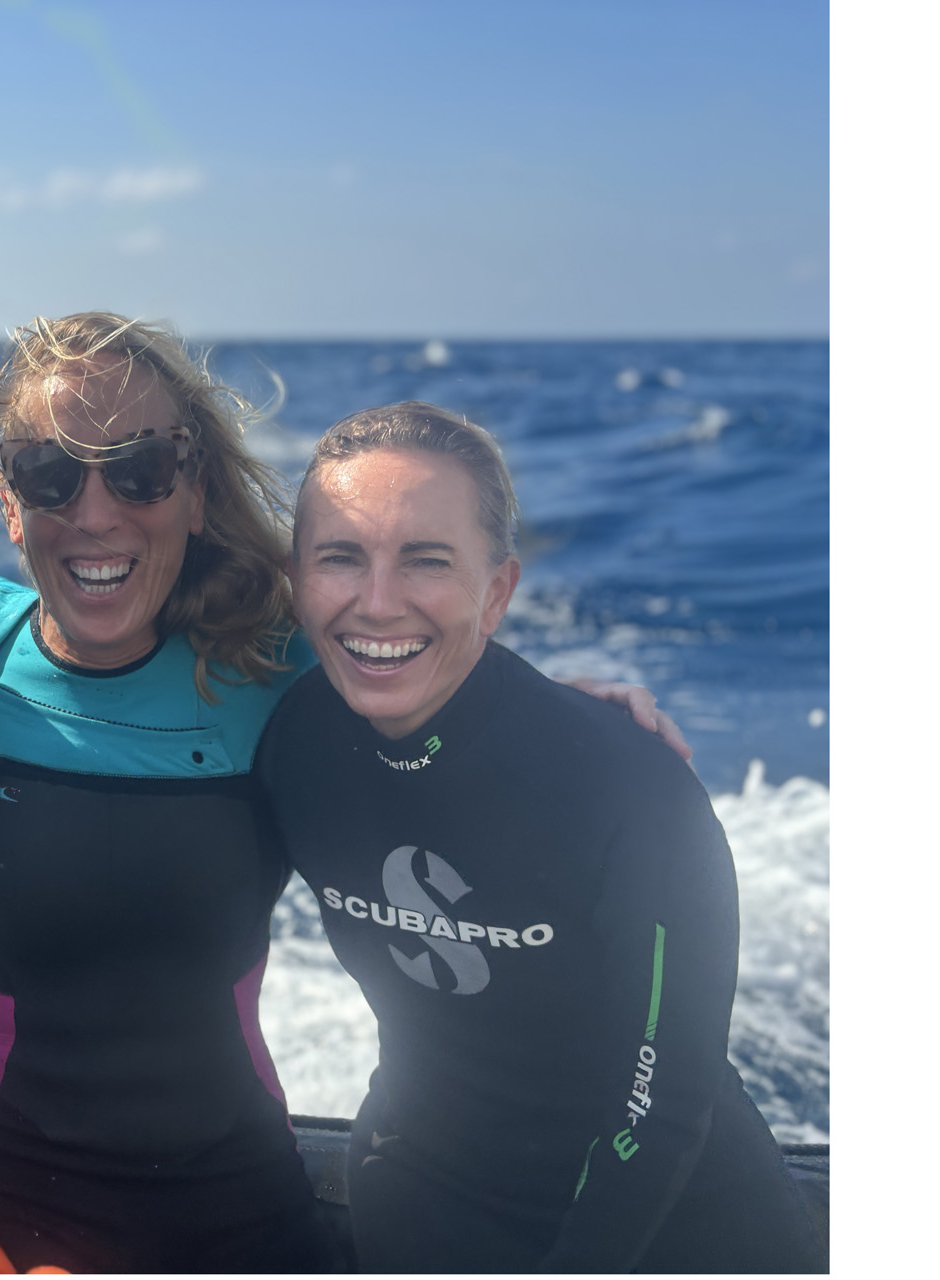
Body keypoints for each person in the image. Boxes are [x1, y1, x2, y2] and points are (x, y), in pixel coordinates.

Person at [0, 320, 682, 1273]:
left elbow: (417, 650)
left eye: (142, 469)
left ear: (192, 494)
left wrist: (586, 722)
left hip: (233, 1210)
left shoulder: (273, 676)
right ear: (10, 501)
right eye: (51, 475)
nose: (97, 511)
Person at [255, 401, 825, 1272]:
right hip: (424, 1199)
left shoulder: (627, 785)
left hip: (665, 1221)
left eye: (426, 561)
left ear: (496, 592)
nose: (376, 601)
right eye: (340, 557)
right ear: (298, 579)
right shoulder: (287, 745)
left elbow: (662, 1110)